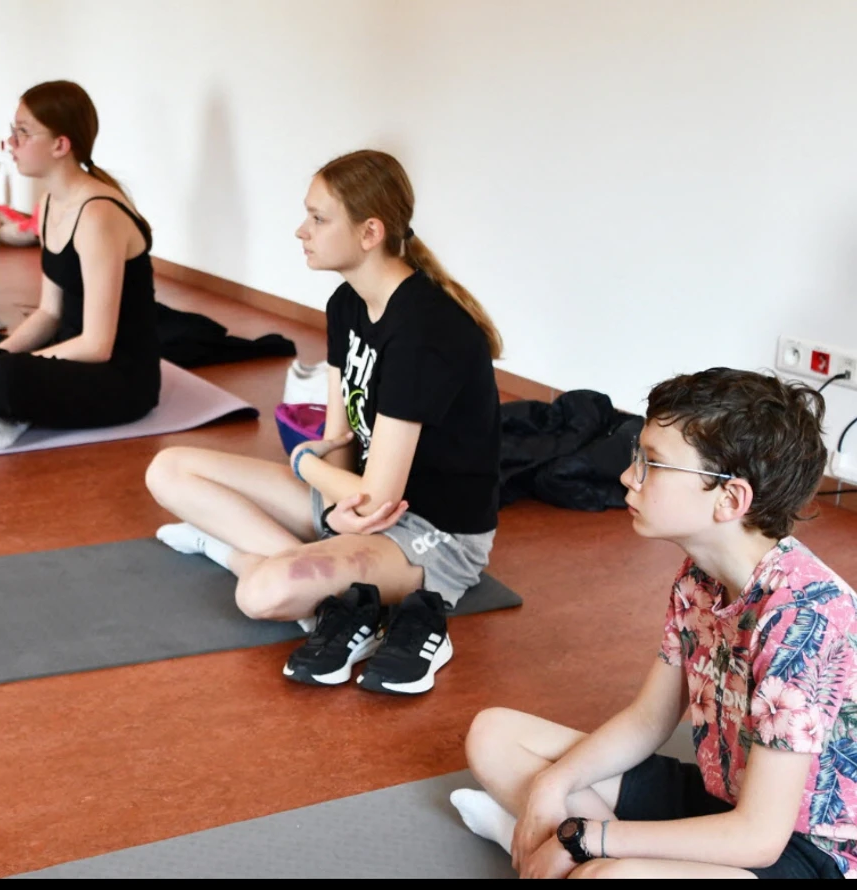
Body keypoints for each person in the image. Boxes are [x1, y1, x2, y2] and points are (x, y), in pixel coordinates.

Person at [453, 368, 856, 879]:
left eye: (653, 463)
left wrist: (588, 837)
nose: (629, 476)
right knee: (493, 735)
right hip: (721, 799)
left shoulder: (807, 616)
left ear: (730, 499)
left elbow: (760, 837)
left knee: (609, 877)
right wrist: (553, 785)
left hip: (804, 850)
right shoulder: (700, 576)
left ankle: (560, 848)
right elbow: (648, 719)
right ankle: (561, 846)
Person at [145, 149, 503, 696]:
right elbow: (339, 440)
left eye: (318, 218)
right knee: (168, 469)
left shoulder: (424, 330)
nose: (301, 231)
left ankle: (227, 548)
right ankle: (322, 579)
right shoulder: (346, 304)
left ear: (370, 233)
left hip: (431, 534)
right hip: (358, 501)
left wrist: (303, 464)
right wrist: (333, 501)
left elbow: (377, 494)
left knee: (260, 594)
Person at [0, 80, 159, 450]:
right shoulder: (50, 202)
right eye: (13, 130)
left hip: (116, 378)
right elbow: (50, 312)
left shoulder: (97, 215)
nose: (11, 143)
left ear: (60, 145)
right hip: (64, 351)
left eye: (23, 132)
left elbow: (97, 345)